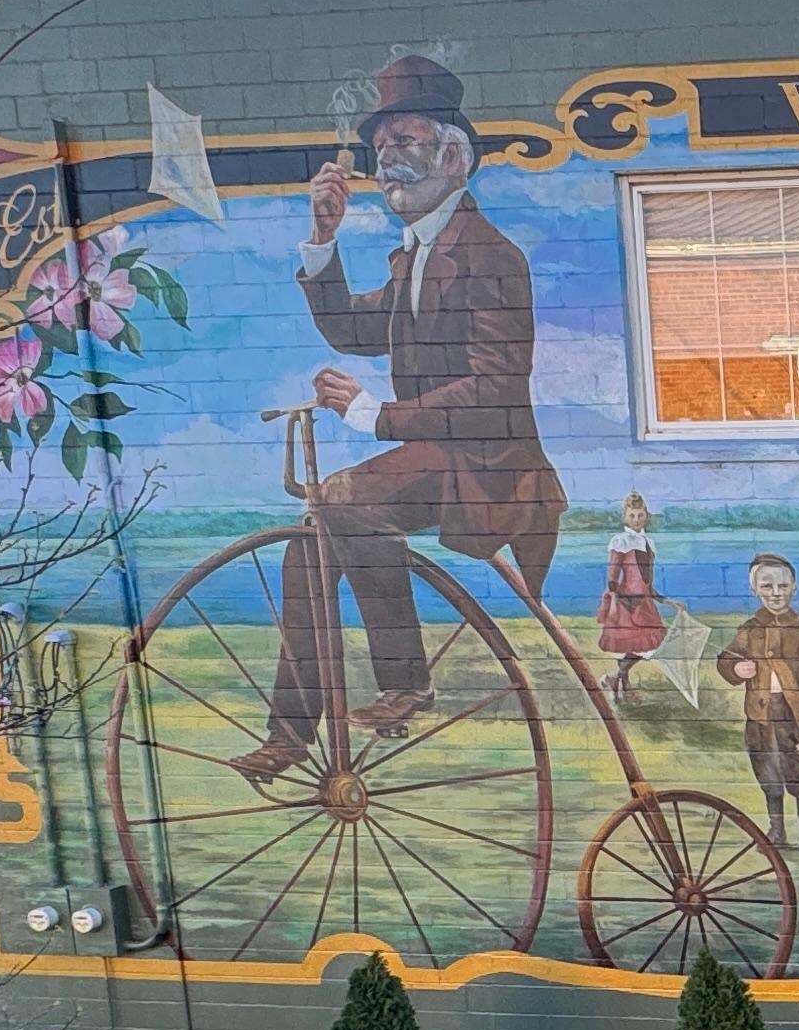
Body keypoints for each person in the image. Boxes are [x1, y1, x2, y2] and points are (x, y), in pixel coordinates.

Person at [238, 53, 567, 784]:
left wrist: (378, 414)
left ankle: (404, 680)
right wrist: (322, 241)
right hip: (434, 455)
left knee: (344, 505)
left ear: (454, 156)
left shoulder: (488, 256)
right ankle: (293, 732)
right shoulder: (412, 256)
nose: (388, 161)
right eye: (380, 149)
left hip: (487, 463)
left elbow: (495, 386)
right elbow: (354, 332)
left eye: (407, 144)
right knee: (314, 536)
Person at [719, 553, 799, 850]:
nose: (775, 593)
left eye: (783, 586)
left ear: (794, 588)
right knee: (767, 772)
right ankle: (777, 831)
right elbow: (727, 659)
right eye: (767, 586)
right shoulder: (749, 629)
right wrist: (735, 669)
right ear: (755, 590)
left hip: (793, 717)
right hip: (760, 718)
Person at [597, 491, 667, 700]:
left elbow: (647, 580)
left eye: (640, 515)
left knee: (649, 645)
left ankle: (617, 680)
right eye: (632, 516)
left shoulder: (648, 542)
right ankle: (621, 683)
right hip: (624, 601)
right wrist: (614, 602)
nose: (636, 520)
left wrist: (664, 600)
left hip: (643, 601)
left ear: (646, 516)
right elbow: (613, 575)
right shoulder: (621, 541)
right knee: (629, 644)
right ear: (624, 517)